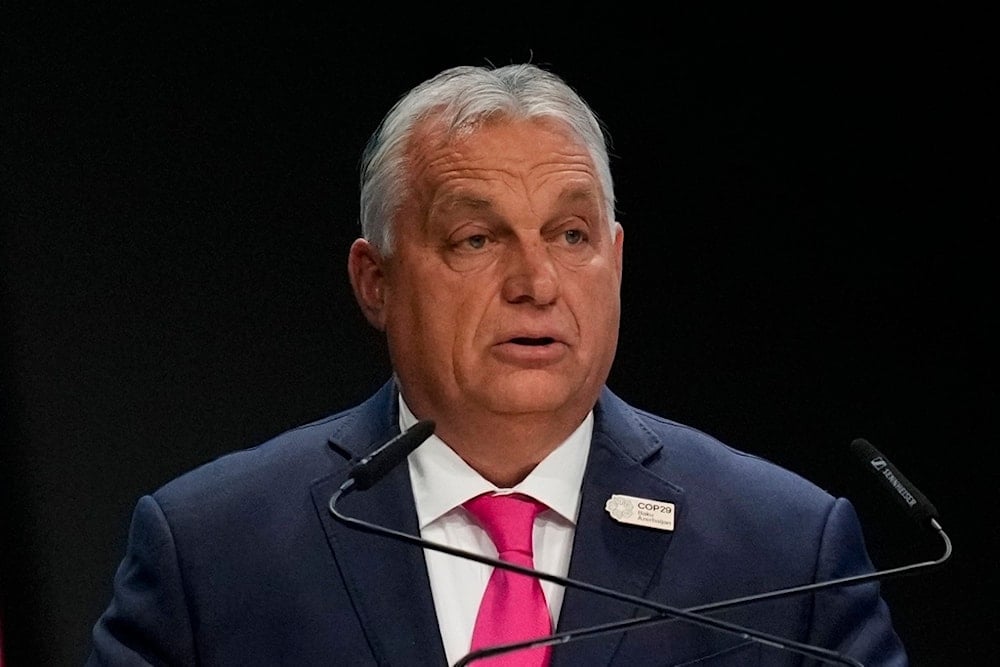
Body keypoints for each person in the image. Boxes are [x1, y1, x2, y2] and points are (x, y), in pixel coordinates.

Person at [87, 62, 908, 666]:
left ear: (616, 262)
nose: (536, 283)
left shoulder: (783, 547)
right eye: (476, 239)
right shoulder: (213, 548)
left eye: (571, 235)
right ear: (375, 280)